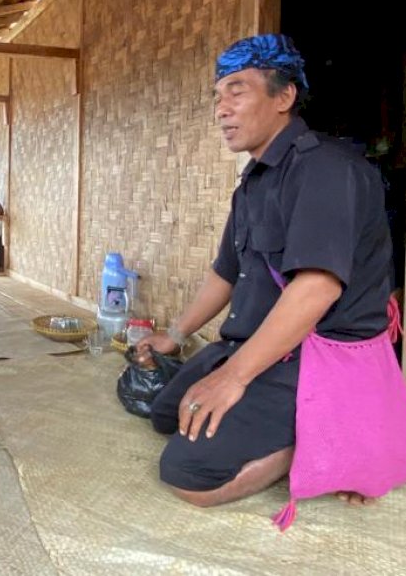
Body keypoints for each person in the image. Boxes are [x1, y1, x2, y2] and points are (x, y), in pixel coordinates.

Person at [137, 34, 393, 508]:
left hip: (317, 356)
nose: (221, 109)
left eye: (237, 90)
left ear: (284, 96)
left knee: (189, 474)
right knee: (164, 411)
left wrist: (233, 377)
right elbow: (225, 274)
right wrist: (174, 335)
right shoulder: (253, 182)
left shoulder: (325, 171)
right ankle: (276, 413)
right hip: (256, 347)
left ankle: (326, 437)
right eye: (217, 96)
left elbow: (316, 288)